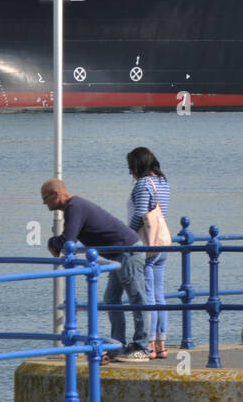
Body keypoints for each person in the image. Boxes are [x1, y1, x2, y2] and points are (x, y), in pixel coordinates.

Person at [41, 178, 150, 362]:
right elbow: (69, 237)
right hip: (119, 254)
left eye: (45, 198)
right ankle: (118, 346)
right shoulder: (76, 206)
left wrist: (53, 242)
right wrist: (56, 242)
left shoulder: (74, 207)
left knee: (137, 298)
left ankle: (142, 347)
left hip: (128, 252)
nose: (44, 202)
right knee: (111, 299)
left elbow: (69, 240)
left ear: (56, 194)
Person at [125, 147, 170, 359]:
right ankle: (161, 344)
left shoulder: (144, 184)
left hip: (146, 245)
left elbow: (141, 215)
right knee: (159, 295)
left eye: (131, 166)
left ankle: (149, 344)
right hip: (162, 243)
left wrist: (126, 234)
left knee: (149, 294)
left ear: (139, 164)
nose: (130, 172)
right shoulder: (163, 182)